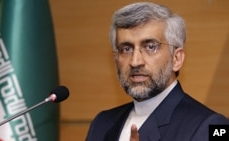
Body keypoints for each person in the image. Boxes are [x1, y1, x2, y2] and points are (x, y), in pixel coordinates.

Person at [86, 2, 229, 141]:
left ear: (176, 59)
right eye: (126, 49)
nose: (135, 62)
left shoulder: (213, 126)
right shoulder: (101, 124)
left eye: (150, 47)